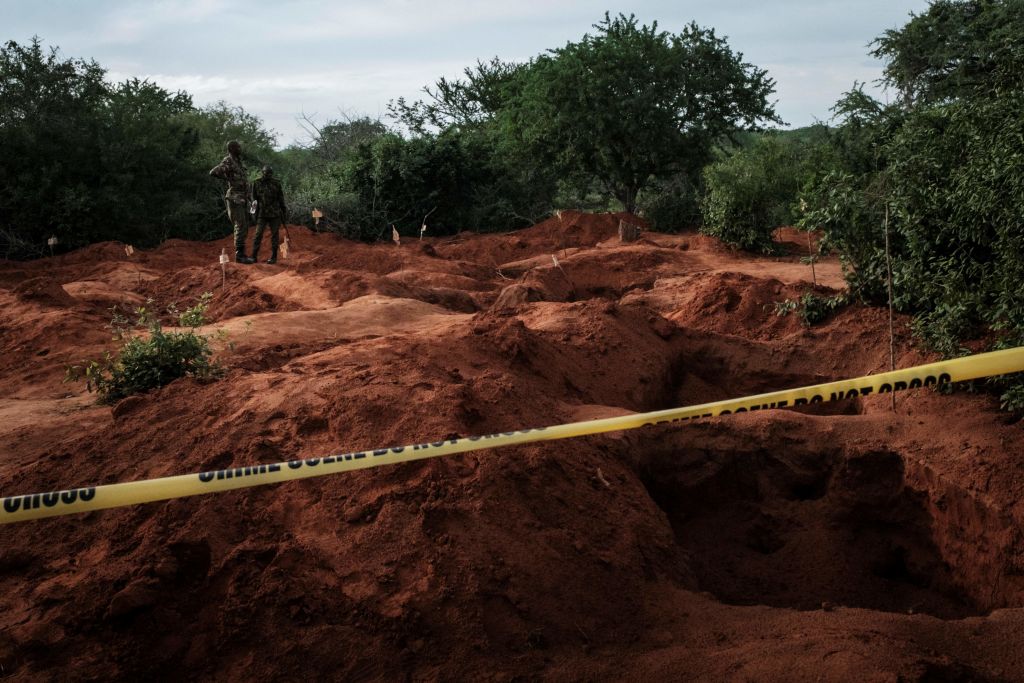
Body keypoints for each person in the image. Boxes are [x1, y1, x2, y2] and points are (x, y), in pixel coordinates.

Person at [209, 140, 254, 264]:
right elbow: (214, 172)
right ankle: (239, 256)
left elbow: (244, 182)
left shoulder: (239, 162)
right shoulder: (229, 161)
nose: (241, 149)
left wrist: (250, 198)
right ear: (232, 148)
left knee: (244, 226)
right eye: (238, 147)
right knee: (240, 225)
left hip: (243, 198)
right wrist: (227, 178)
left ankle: (242, 254)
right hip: (235, 197)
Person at [250, 166, 288, 264]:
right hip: (262, 213)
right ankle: (253, 256)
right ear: (262, 173)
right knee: (258, 234)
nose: (268, 175)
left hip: (275, 213)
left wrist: (284, 211)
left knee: (275, 235)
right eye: (266, 173)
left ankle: (274, 257)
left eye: (270, 173)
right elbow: (254, 200)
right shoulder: (256, 183)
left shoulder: (276, 183)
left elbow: (281, 198)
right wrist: (253, 213)